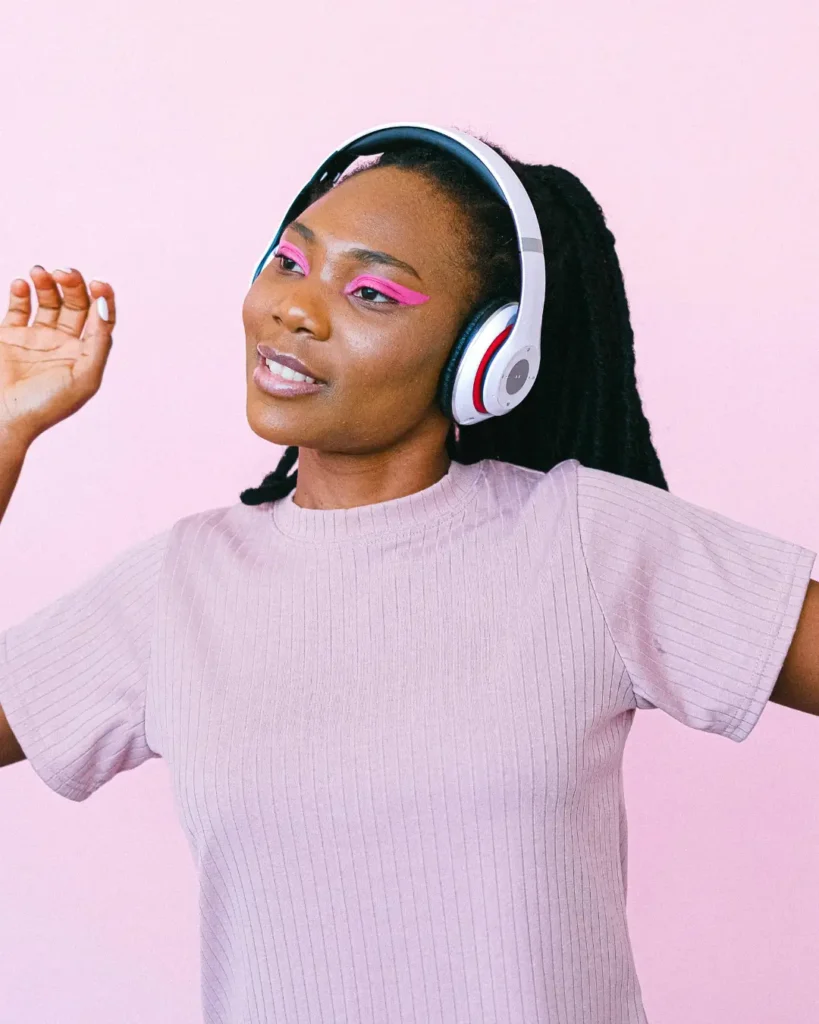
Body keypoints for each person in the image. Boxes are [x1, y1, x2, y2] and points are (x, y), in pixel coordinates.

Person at [0, 124, 816, 1024]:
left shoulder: (584, 540)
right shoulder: (178, 585)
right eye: (287, 261)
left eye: (370, 292)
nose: (296, 309)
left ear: (488, 356)